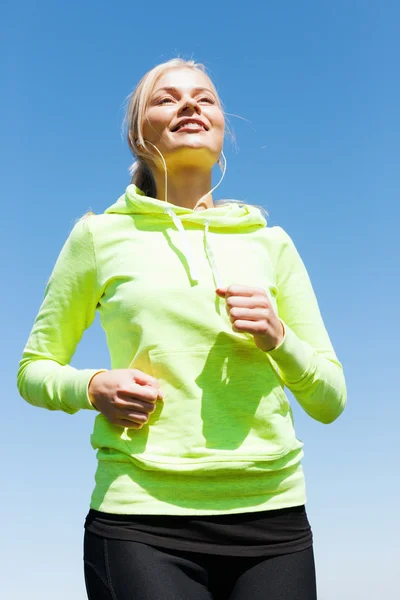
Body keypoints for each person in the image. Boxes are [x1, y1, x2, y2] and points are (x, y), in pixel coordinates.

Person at [17, 58, 346, 600]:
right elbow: (33, 370)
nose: (190, 104)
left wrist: (279, 339)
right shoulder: (98, 237)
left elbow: (331, 400)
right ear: (137, 134)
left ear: (222, 129)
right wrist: (93, 386)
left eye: (205, 97)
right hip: (141, 518)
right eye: (166, 98)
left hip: (273, 515)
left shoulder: (272, 244)